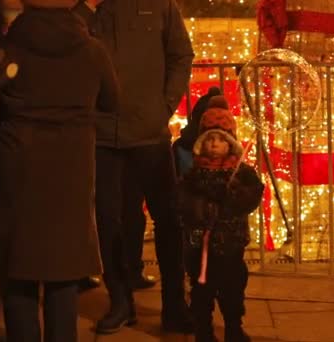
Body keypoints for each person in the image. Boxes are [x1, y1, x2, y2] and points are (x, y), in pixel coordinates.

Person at [0, 1, 119, 341]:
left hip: (17, 172)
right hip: (70, 174)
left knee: (18, 274)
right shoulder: (92, 51)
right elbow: (113, 101)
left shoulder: (7, 52)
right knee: (63, 275)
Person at [72, 0, 196, 334]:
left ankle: (174, 305)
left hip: (149, 134)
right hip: (102, 137)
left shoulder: (159, 6)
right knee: (109, 221)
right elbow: (66, 49)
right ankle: (120, 301)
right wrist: (86, 7)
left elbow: (181, 54)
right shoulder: (83, 10)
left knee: (168, 220)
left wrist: (165, 104)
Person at [180, 95, 263, 342]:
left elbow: (253, 195)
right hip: (200, 245)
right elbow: (182, 199)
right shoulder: (195, 173)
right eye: (209, 139)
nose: (214, 144)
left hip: (230, 244)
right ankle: (203, 331)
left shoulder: (241, 173)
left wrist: (235, 195)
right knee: (201, 291)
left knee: (232, 288)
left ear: (230, 144)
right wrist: (198, 209)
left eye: (220, 139)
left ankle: (233, 327)